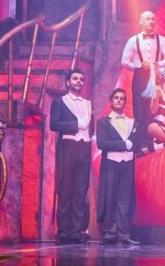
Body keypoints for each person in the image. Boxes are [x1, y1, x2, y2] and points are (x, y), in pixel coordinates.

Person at [49, 69, 93, 245]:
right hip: (67, 147)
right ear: (68, 82)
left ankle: (75, 231)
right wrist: (76, 124)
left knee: (80, 191)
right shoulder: (60, 102)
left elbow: (90, 129)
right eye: (75, 78)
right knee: (65, 189)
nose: (79, 81)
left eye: (81, 79)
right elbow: (54, 124)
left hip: (84, 148)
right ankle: (63, 231)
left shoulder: (88, 104)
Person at [121, 11, 165, 148]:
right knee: (139, 111)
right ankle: (140, 146)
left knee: (153, 110)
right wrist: (139, 66)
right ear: (141, 22)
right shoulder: (133, 40)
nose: (151, 22)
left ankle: (153, 144)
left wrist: (157, 64)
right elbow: (124, 61)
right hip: (140, 77)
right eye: (148, 19)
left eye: (153, 19)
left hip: (156, 77)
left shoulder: (162, 40)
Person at [96, 88, 139, 245]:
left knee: (124, 199)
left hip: (128, 164)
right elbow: (102, 143)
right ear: (111, 101)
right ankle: (109, 233)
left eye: (122, 98)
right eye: (116, 98)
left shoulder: (132, 122)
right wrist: (123, 145)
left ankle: (123, 234)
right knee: (110, 197)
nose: (119, 100)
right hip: (111, 163)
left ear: (125, 102)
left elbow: (137, 142)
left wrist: (133, 146)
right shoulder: (103, 122)